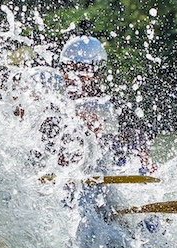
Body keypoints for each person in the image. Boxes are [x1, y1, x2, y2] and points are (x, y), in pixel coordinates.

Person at [59, 34, 155, 175]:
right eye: (69, 69)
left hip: (108, 170)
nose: (73, 76)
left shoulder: (115, 107)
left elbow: (141, 141)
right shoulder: (56, 103)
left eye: (82, 69)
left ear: (98, 73)